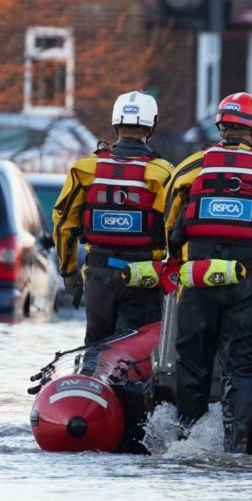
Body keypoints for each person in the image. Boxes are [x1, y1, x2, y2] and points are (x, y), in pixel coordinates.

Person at [163, 92, 252, 452]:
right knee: (241, 366)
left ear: (221, 127)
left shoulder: (190, 166)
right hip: (249, 278)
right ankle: (235, 443)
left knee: (191, 362)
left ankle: (187, 440)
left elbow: (168, 217)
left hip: (196, 277)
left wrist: (178, 259)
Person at [53, 91, 173, 344]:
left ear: (116, 123)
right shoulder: (162, 173)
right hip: (145, 276)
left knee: (97, 344)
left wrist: (68, 271)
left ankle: (93, 379)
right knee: (137, 349)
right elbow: (174, 227)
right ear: (152, 125)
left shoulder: (84, 169)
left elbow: (64, 223)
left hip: (98, 273)